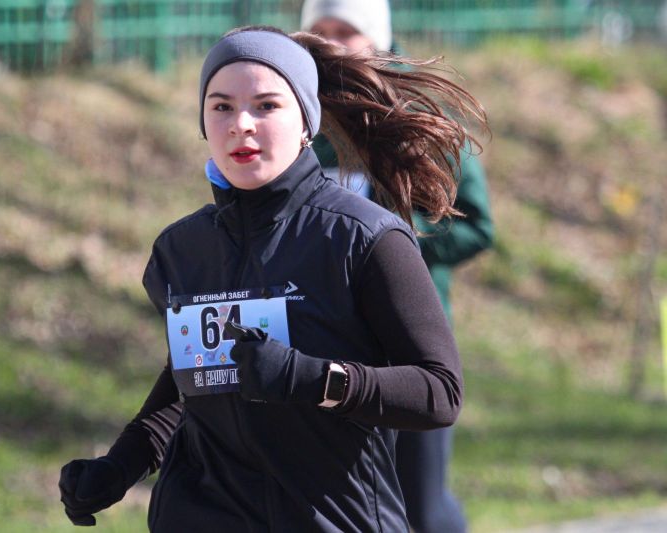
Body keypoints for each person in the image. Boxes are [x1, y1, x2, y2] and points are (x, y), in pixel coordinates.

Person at [58, 25, 487, 532]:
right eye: (221, 107)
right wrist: (120, 465)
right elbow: (194, 381)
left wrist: (310, 379)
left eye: (266, 106)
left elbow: (439, 392)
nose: (241, 124)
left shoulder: (364, 238)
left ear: (306, 121)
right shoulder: (181, 251)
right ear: (202, 123)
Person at [301, 2, 495, 532]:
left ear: (378, 38)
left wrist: (389, 249)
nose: (331, 43)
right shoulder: (296, 110)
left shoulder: (422, 112)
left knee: (421, 509)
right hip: (325, 343)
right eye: (319, 29)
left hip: (407, 345)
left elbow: (475, 225)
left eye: (346, 31)